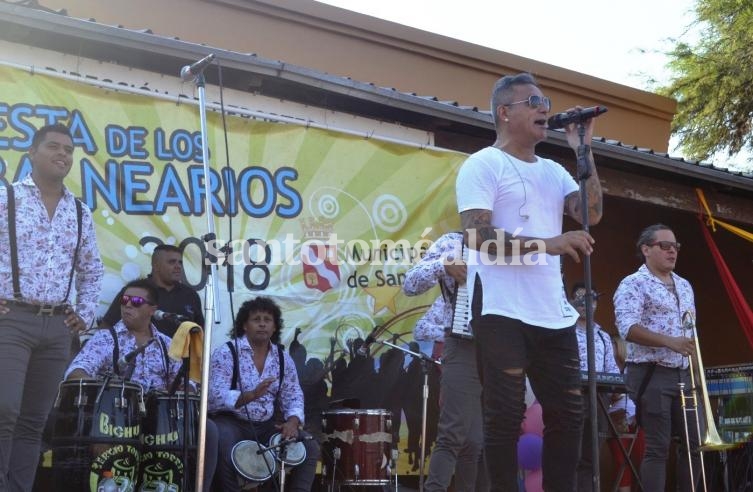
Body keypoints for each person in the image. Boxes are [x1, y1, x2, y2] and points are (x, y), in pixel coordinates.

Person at [455, 72, 603, 492]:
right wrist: (549, 244)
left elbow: (591, 212)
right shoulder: (483, 164)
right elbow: (476, 236)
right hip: (500, 307)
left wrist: (584, 148)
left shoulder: (554, 170)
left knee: (569, 415)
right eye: (534, 101)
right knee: (503, 414)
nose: (545, 108)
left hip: (551, 311)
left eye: (546, 100)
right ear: (505, 112)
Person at [0, 123, 104, 491]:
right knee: (4, 411)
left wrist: (85, 313)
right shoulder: (6, 198)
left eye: (69, 150)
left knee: (34, 421)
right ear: (32, 153)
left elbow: (92, 269)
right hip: (11, 321)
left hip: (57, 329)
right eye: (54, 147)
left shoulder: (79, 211)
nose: (63, 154)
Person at [66, 278, 217, 492]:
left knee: (208, 430)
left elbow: (190, 382)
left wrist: (186, 388)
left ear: (152, 310)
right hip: (117, 417)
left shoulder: (166, 343)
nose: (127, 305)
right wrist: (99, 397)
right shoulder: (105, 339)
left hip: (160, 421)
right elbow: (76, 372)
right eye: (125, 300)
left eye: (136, 301)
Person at [613, 223, 700, 491]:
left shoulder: (685, 285)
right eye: (665, 246)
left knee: (695, 445)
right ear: (646, 249)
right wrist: (669, 342)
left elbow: (690, 329)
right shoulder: (633, 283)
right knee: (658, 447)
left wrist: (694, 367)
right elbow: (627, 327)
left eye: (675, 246)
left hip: (683, 373)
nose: (672, 251)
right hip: (652, 373)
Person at [402, 231, 487, 492]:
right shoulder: (453, 242)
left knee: (474, 441)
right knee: (452, 435)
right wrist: (444, 265)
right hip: (463, 345)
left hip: (499, 352)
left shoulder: (509, 246)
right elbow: (410, 284)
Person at [208, 296, 319, 492]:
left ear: (275, 327)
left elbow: (293, 395)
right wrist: (249, 396)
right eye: (256, 319)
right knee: (221, 438)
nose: (262, 324)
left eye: (267, 320)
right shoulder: (226, 352)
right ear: (244, 325)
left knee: (309, 447)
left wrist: (292, 422)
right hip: (231, 422)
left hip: (266, 426)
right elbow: (213, 396)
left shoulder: (283, 359)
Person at [569, 282, 622, 491]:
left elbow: (612, 369)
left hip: (600, 399)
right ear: (572, 302)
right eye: (580, 299)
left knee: (592, 458)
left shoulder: (602, 335)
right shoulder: (566, 331)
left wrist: (617, 387)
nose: (585, 304)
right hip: (573, 395)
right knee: (573, 454)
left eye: (590, 299)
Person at [101, 244, 203, 337]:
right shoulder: (136, 292)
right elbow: (106, 326)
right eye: (172, 262)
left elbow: (201, 333)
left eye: (180, 262)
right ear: (156, 265)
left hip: (183, 357)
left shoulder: (191, 295)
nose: (178, 266)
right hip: (142, 355)